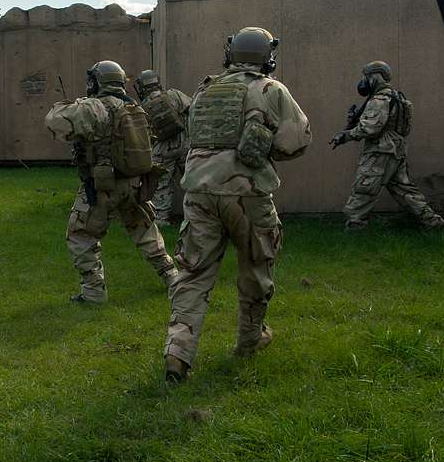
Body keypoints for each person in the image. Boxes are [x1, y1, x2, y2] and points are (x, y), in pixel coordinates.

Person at [163, 27, 311, 383]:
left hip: (198, 191)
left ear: (230, 53)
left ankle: (177, 354)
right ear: (268, 56)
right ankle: (249, 341)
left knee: (194, 274)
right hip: (246, 194)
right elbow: (296, 141)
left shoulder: (205, 89)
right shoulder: (271, 89)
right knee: (255, 268)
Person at [45, 60, 178, 304]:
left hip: (103, 187)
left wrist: (66, 105)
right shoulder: (135, 107)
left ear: (96, 82)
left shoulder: (93, 107)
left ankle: (94, 291)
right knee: (146, 233)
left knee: (81, 235)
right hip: (135, 185)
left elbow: (54, 121)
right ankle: (172, 278)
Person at [330, 61, 444, 230]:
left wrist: (346, 136)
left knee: (364, 187)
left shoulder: (379, 100)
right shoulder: (397, 97)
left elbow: (369, 128)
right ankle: (432, 221)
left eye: (367, 77)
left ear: (375, 77)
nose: (364, 81)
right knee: (404, 190)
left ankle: (355, 226)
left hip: (380, 151)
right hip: (396, 151)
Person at [134, 70, 192, 227]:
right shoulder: (174, 94)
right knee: (192, 183)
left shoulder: (142, 106)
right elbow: (192, 109)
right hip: (185, 145)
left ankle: (160, 219)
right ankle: (195, 219)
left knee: (162, 185)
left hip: (161, 151)